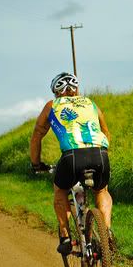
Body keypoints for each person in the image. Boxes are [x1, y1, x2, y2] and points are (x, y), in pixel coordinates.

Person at [30, 72, 113, 255]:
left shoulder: (52, 105)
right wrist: (102, 154)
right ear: (75, 89)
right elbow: (106, 132)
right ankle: (106, 233)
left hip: (72, 157)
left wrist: (36, 164)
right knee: (102, 190)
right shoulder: (91, 103)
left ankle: (66, 237)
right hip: (100, 153)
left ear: (56, 92)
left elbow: (37, 136)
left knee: (60, 190)